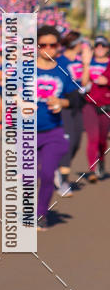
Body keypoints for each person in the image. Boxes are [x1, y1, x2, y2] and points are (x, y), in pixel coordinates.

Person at [35, 26, 80, 229]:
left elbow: (75, 100)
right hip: (26, 131)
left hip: (53, 131)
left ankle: (41, 213)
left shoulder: (63, 70)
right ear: (36, 46)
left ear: (58, 47)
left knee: (47, 174)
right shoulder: (25, 69)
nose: (48, 49)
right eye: (43, 44)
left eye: (53, 45)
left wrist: (61, 103)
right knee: (28, 176)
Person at [55, 31, 85, 195]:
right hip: (63, 104)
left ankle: (59, 167)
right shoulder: (60, 61)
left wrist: (86, 65)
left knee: (77, 142)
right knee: (69, 142)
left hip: (78, 104)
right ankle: (63, 181)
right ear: (76, 44)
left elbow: (85, 83)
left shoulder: (81, 61)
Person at [81, 35, 110, 182]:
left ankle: (101, 161)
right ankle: (92, 169)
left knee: (102, 141)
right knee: (93, 138)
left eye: (103, 46)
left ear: (107, 49)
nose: (99, 49)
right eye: (97, 46)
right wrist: (86, 65)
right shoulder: (88, 63)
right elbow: (83, 82)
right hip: (89, 105)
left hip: (106, 107)